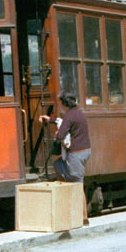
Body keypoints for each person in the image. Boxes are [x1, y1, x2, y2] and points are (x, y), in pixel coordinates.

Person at [39, 91, 92, 224]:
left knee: (77, 183)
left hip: (76, 153)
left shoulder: (69, 116)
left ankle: (83, 217)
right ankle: (72, 205)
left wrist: (56, 136)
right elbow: (62, 122)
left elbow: (61, 134)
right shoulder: (78, 113)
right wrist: (50, 120)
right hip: (85, 151)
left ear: (64, 103)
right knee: (60, 167)